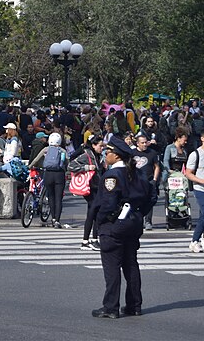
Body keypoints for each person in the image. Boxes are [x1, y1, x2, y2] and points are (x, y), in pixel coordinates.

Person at [91, 136, 152, 319]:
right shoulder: (138, 173)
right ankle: (134, 304)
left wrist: (101, 220)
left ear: (116, 156)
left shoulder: (112, 175)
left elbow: (107, 204)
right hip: (133, 221)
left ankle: (111, 306)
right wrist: (140, 213)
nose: (105, 154)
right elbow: (152, 196)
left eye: (108, 152)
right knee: (131, 264)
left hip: (115, 224)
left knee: (112, 266)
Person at [69, 134, 105, 251]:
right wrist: (87, 167)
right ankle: (88, 240)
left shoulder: (97, 156)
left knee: (94, 213)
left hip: (96, 187)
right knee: (93, 212)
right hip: (89, 187)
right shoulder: (87, 155)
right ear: (94, 145)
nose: (102, 148)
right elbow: (71, 165)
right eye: (100, 145)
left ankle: (92, 239)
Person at [31, 132, 70, 228]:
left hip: (48, 174)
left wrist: (30, 166)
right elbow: (68, 162)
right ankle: (57, 220)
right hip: (59, 175)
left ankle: (52, 218)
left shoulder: (46, 149)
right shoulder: (62, 151)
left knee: (51, 196)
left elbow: (36, 159)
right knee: (58, 198)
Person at [132, 134, 160, 230]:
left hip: (148, 180)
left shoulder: (152, 153)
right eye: (142, 143)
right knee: (136, 202)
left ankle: (148, 221)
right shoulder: (132, 153)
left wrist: (155, 180)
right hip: (135, 181)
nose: (144, 144)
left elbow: (156, 166)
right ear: (137, 143)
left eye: (145, 142)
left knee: (148, 201)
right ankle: (136, 220)